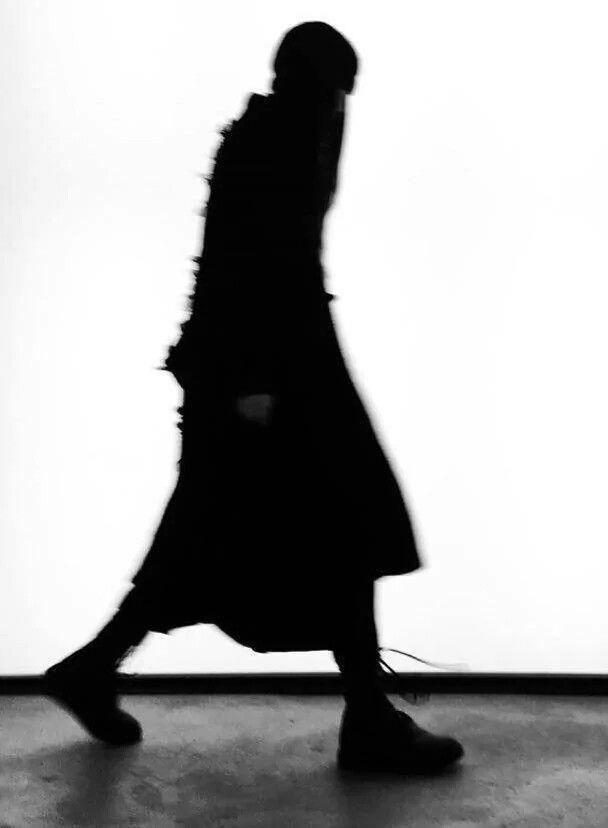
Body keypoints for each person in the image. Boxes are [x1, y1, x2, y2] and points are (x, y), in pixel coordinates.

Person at [44, 21, 464, 774]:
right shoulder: (281, 143)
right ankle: (367, 719)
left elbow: (246, 262)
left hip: (263, 367)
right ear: (324, 88)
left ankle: (96, 666)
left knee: (218, 536)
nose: (341, 112)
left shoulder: (267, 134)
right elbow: (256, 264)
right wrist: (254, 381)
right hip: (273, 373)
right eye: (338, 94)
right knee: (340, 529)